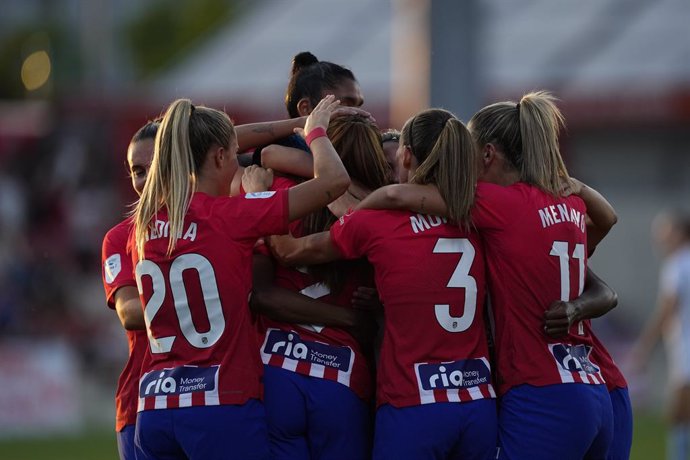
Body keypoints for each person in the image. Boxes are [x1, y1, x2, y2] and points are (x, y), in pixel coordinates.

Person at [353, 92, 618, 459]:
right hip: (594, 390)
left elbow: (399, 197)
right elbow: (607, 231)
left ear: (488, 154)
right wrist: (582, 189)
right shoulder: (565, 204)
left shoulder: (496, 204)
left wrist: (354, 221)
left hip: (542, 393)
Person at [269, 109, 497, 460]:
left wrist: (258, 194)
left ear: (405, 155)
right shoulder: (481, 217)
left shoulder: (379, 223)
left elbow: (288, 251)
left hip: (414, 405)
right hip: (478, 403)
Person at [130, 95, 349, 460]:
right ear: (218, 156)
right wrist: (316, 132)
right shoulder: (231, 216)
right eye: (233, 153)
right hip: (218, 403)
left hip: (153, 406)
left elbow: (198, 142)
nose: (238, 161)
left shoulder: (146, 220)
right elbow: (334, 181)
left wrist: (282, 125)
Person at [252, 114, 390, 459]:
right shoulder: (384, 210)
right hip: (343, 375)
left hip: (276, 369)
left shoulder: (274, 192)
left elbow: (261, 293)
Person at [101, 120, 158, 460]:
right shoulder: (120, 238)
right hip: (142, 400)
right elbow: (130, 312)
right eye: (137, 170)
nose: (144, 180)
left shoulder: (215, 222)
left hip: (213, 398)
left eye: (154, 167)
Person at [631, 210, 690, 460]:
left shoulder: (677, 265)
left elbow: (666, 309)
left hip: (687, 354)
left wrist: (644, 347)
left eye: (664, 232)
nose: (659, 240)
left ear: (679, 233)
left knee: (677, 415)